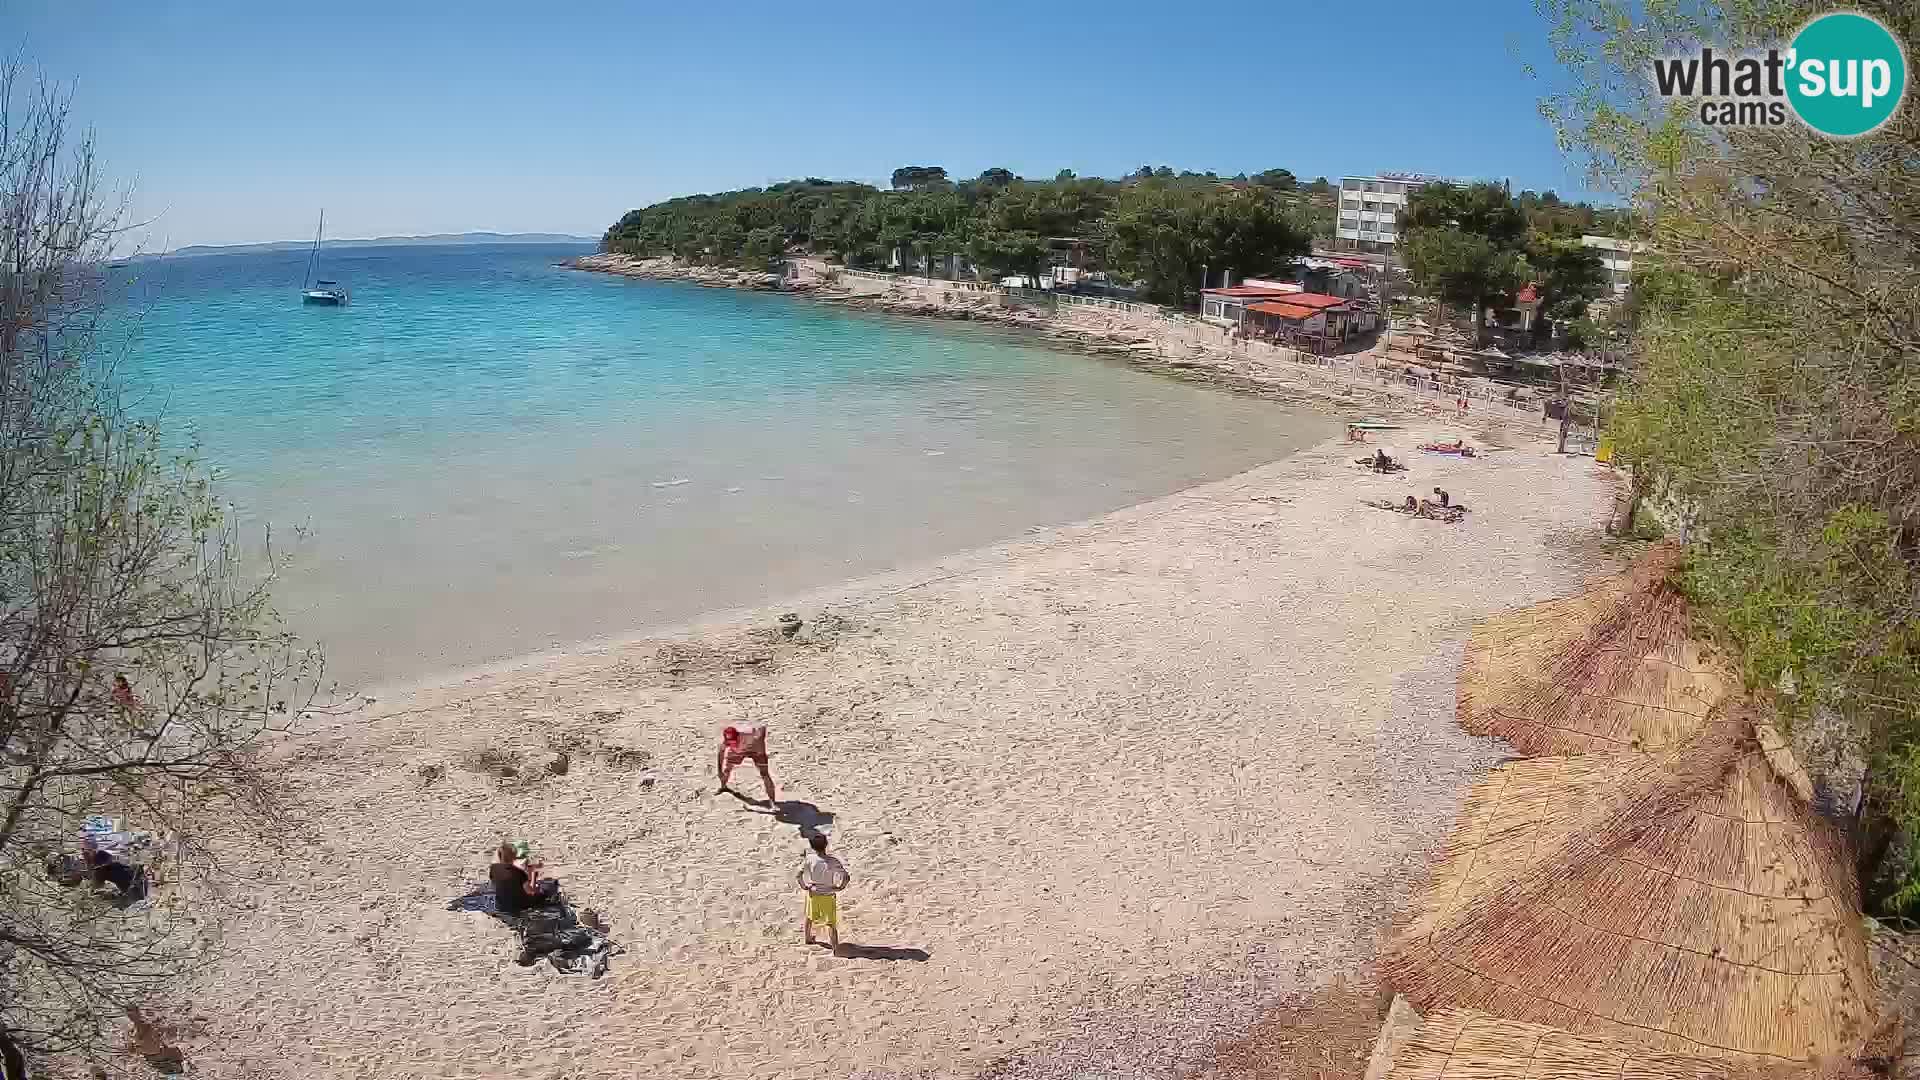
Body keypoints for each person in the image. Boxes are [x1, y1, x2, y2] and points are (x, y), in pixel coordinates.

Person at [797, 833, 850, 953]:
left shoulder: (809, 859)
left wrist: (804, 886)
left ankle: (808, 938)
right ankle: (835, 947)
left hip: (813, 893)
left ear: (812, 846)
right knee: (831, 922)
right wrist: (839, 887)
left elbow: (798, 875)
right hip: (828, 895)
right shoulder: (832, 861)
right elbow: (846, 877)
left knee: (809, 917)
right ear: (826, 844)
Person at [489, 841, 559, 915]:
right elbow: (531, 891)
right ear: (514, 857)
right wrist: (533, 878)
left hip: (500, 905)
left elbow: (495, 884)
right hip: (518, 905)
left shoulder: (493, 868)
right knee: (548, 888)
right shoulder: (518, 872)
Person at [718, 722, 777, 804]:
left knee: (764, 773)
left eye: (734, 741)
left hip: (756, 749)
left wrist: (760, 745)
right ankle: (723, 786)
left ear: (738, 735)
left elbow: (762, 727)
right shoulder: (727, 742)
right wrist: (719, 771)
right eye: (730, 743)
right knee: (727, 768)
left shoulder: (749, 733)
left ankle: (773, 802)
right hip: (739, 751)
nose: (732, 744)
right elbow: (721, 753)